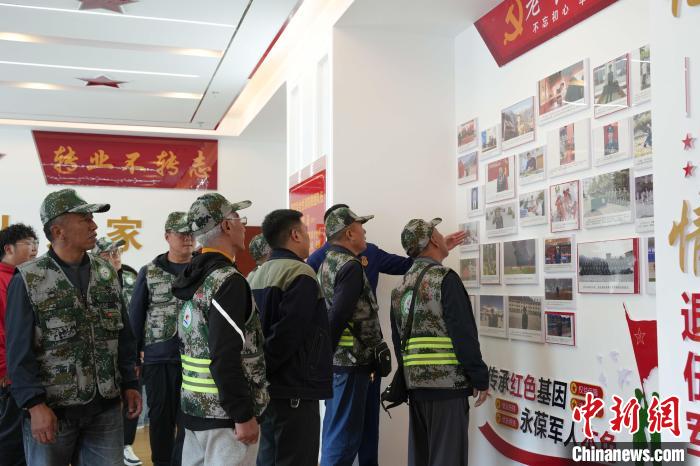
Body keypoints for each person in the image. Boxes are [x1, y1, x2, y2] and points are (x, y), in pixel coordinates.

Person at [6, 188, 141, 465]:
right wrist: (34, 405)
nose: (94, 226)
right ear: (59, 231)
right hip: (53, 412)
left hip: (105, 409)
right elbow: (18, 351)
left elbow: (123, 335)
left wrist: (130, 383)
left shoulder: (106, 272)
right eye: (85, 219)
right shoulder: (29, 279)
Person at [172, 193, 268, 466]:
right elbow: (225, 354)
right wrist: (242, 414)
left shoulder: (192, 277)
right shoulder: (228, 281)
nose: (243, 226)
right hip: (225, 418)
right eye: (239, 219)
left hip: (194, 408)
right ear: (226, 225)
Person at [389, 218, 489, 466]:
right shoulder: (445, 279)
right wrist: (479, 377)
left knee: (421, 459)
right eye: (438, 232)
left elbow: (398, 341)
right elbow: (463, 334)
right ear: (433, 239)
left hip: (416, 389)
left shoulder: (401, 287)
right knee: (448, 459)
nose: (443, 236)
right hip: (447, 388)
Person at [249, 209, 332, 466]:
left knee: (269, 457)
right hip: (295, 387)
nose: (308, 238)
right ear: (295, 235)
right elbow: (288, 333)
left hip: (268, 389)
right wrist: (268, 366)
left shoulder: (254, 276)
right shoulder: (300, 273)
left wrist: (260, 373)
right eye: (305, 232)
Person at [316, 206, 380, 466]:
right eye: (360, 227)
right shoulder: (350, 266)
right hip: (350, 364)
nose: (364, 232)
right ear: (349, 233)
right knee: (343, 440)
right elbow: (338, 316)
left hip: (339, 364)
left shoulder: (326, 263)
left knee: (335, 432)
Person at [129, 212, 192, 466]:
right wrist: (133, 358)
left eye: (191, 233)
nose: (187, 238)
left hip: (195, 360)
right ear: (167, 236)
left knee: (190, 421)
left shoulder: (203, 269)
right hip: (159, 360)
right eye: (181, 233)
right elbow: (136, 316)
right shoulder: (150, 272)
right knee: (160, 420)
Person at [92, 237, 142, 466]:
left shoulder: (131, 277)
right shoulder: (92, 281)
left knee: (132, 396)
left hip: (132, 351)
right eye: (108, 254)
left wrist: (141, 348)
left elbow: (142, 314)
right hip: (105, 353)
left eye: (117, 252)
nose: (115, 257)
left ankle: (126, 445)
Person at [0, 223, 39, 466]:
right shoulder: (3, 280)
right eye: (28, 244)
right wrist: (6, 371)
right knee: (11, 443)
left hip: (27, 375)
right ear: (9, 249)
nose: (34, 249)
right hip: (10, 378)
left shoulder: (26, 278)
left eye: (36, 243)